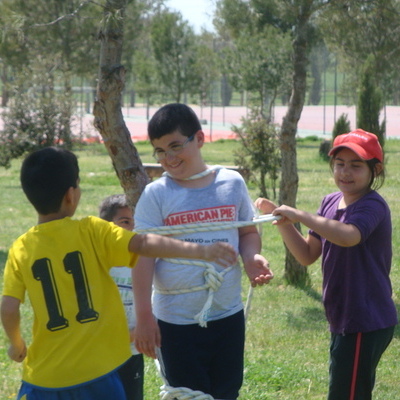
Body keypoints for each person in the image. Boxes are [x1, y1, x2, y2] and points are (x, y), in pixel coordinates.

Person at [0, 146, 237, 400]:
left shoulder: (20, 248)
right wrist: (201, 252)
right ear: (71, 194)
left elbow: (9, 308)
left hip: (44, 379)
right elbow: (144, 244)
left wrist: (16, 343)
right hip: (98, 373)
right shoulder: (91, 230)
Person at [133, 103, 274, 400]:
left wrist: (251, 259)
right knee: (187, 395)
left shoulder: (231, 183)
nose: (168, 159)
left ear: (199, 138)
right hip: (176, 322)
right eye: (159, 151)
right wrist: (144, 316)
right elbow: (143, 256)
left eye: (175, 146)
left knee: (226, 392)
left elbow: (247, 232)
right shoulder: (157, 194)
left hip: (227, 315)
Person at [255, 129, 398, 400]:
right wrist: (284, 223)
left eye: (356, 166)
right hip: (343, 315)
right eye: (339, 164)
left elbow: (348, 236)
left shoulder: (372, 206)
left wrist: (300, 214)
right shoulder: (330, 201)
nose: (345, 172)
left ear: (375, 170)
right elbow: (307, 254)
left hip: (365, 319)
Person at [99, 194, 144, 400]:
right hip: (100, 354)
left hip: (132, 352)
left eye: (136, 223)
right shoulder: (97, 264)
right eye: (125, 222)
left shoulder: (142, 263)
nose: (132, 229)